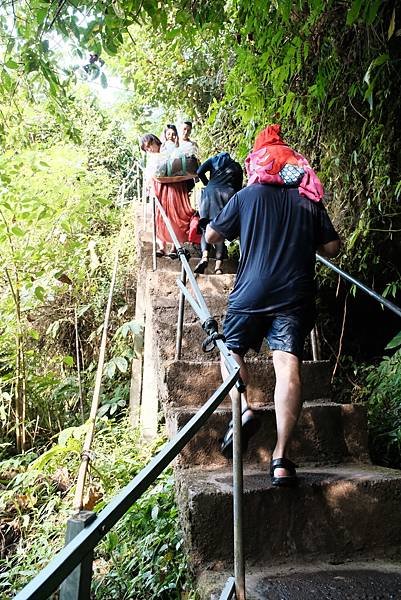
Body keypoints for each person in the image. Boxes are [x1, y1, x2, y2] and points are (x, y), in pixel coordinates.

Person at [205, 124, 340, 487]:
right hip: (294, 295)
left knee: (229, 349)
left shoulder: (247, 197)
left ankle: (244, 409)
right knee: (287, 365)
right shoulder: (307, 198)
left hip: (250, 292)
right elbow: (332, 248)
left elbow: (212, 235)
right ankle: (281, 458)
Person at [141, 133, 194, 258]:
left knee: (175, 214)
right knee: (159, 215)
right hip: (159, 187)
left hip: (174, 186)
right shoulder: (151, 157)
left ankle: (175, 247)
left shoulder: (169, 148)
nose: (149, 150)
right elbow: (151, 174)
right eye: (146, 149)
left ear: (154, 141)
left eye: (149, 146)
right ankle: (162, 247)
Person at [195, 152, 243, 275]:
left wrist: (208, 183)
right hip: (227, 196)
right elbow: (238, 188)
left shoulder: (212, 161)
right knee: (219, 229)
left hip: (209, 195)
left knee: (207, 228)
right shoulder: (236, 166)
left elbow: (199, 171)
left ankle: (205, 257)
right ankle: (218, 267)